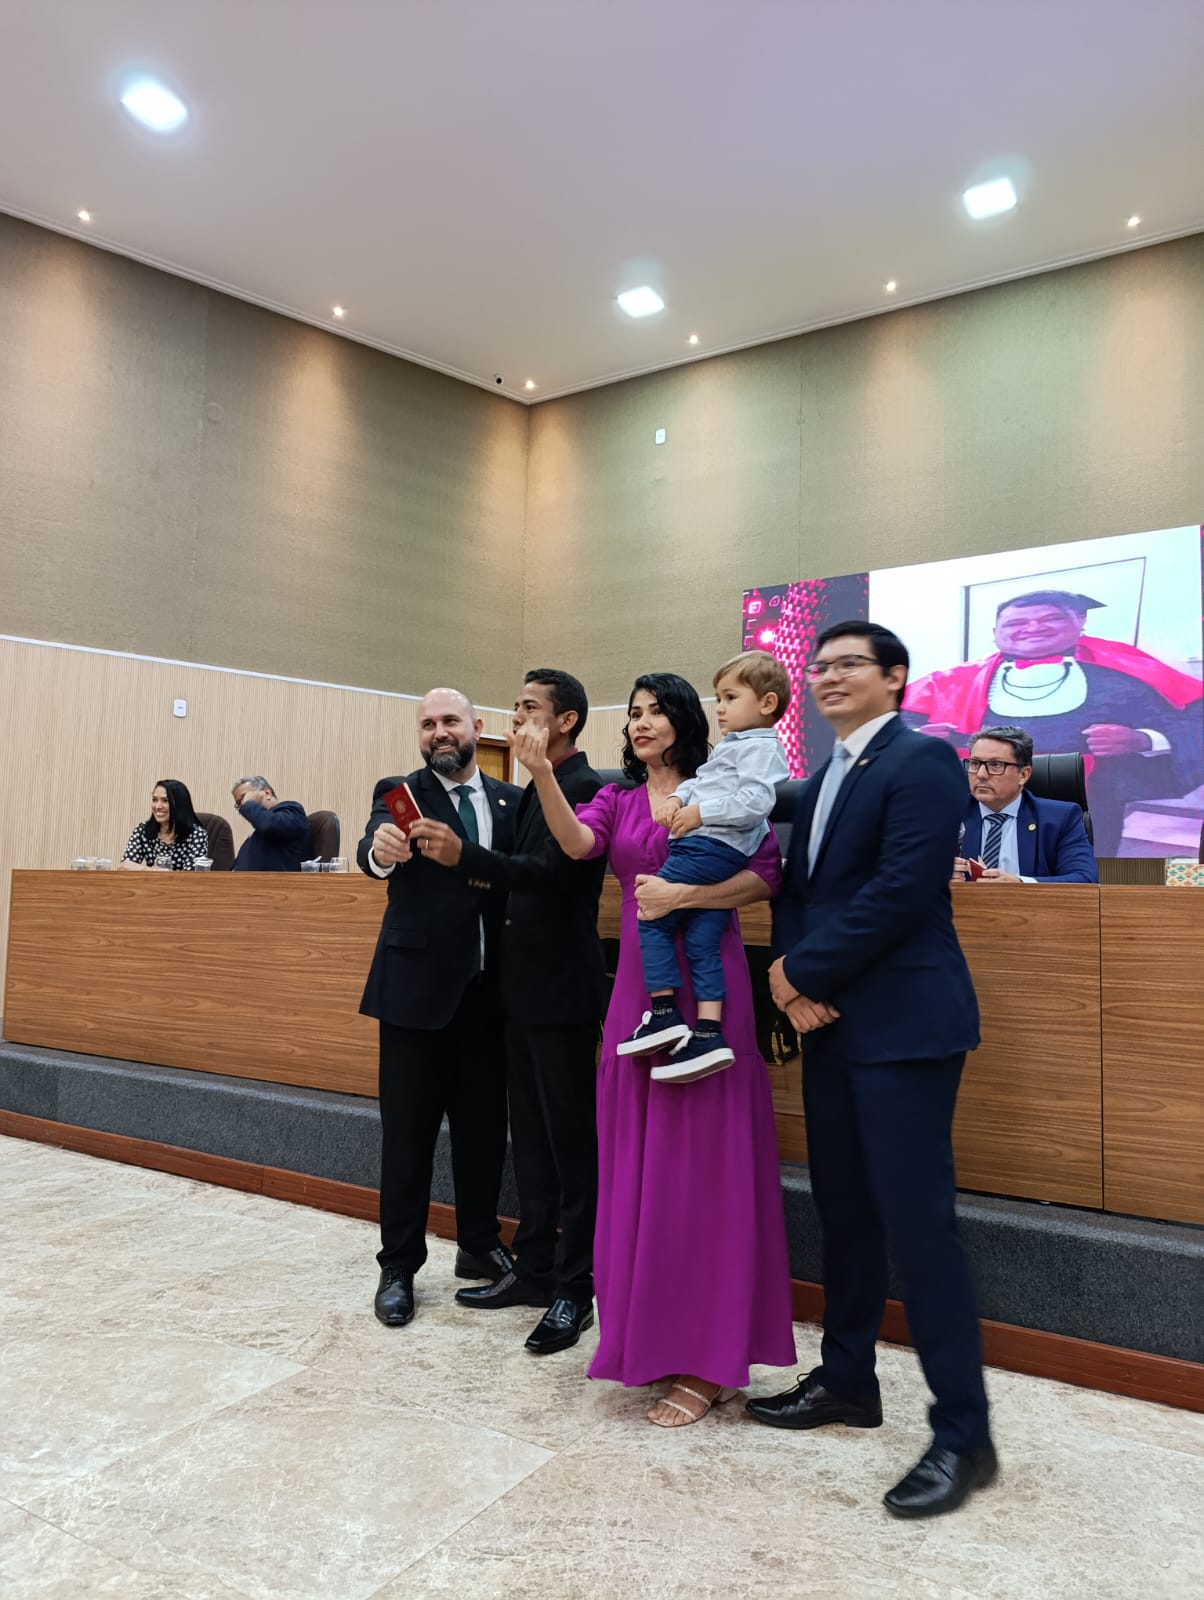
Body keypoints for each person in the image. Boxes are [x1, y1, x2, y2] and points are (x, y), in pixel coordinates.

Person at [750, 620, 995, 1520]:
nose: (827, 676)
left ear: (895, 677)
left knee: (919, 1229)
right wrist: (790, 980)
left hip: (905, 1027)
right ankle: (847, 1380)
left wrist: (799, 974)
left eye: (849, 664)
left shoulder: (923, 760)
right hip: (831, 1025)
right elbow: (798, 891)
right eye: (818, 665)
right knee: (844, 1213)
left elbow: (903, 888)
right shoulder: (823, 777)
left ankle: (963, 1435)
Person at [512, 672, 796, 1427]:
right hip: (637, 997)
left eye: (656, 711)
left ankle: (711, 1361)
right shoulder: (617, 798)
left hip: (710, 994)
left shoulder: (720, 788)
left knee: (704, 1169)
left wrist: (684, 897)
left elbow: (765, 877)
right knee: (640, 1167)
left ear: (684, 721)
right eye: (633, 713)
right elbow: (576, 844)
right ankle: (653, 1341)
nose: (641, 723)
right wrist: (542, 773)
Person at [408, 669, 605, 1355]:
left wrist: (467, 857)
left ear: (566, 721)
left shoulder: (587, 787)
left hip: (562, 991)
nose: (515, 718)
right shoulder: (529, 787)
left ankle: (576, 1288)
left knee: (572, 1148)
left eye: (529, 708)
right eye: (515, 707)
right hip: (519, 992)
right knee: (535, 1147)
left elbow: (550, 875)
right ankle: (536, 1267)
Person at [357, 687, 522, 1328]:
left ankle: (478, 1243)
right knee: (407, 1138)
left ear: (477, 727)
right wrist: (380, 853)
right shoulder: (400, 794)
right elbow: (372, 849)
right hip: (413, 996)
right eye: (427, 724)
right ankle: (398, 1265)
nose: (439, 732)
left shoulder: (512, 801)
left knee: (483, 1133)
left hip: (490, 997)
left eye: (450, 720)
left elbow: (516, 876)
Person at [904, 588, 1204, 854]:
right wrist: (919, 735)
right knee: (987, 864)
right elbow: (894, 722)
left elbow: (1190, 719)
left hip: (1086, 793)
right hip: (983, 791)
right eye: (1016, 623)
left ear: (1080, 622)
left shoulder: (1125, 674)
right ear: (996, 633)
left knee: (1079, 868)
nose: (1033, 628)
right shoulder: (949, 681)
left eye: (1051, 619)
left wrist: (1142, 739)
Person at [619, 650, 790, 1083]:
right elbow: (704, 781)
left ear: (767, 703)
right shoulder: (735, 747)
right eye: (719, 698)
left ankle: (664, 1013)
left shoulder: (760, 748)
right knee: (700, 942)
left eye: (730, 698)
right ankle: (708, 1032)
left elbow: (754, 803)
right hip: (711, 850)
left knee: (651, 915)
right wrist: (681, 797)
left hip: (709, 848)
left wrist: (698, 812)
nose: (721, 708)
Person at [954, 726, 1099, 884]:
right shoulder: (947, 816)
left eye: (995, 765)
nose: (981, 774)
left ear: (1023, 775)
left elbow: (1085, 879)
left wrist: (1021, 884)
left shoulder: (1060, 818)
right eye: (975, 763)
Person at [119, 780, 208, 870]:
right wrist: (152, 871)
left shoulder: (197, 834)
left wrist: (147, 870)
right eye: (154, 800)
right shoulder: (143, 830)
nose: (158, 806)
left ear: (180, 804)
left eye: (165, 801)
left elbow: (191, 875)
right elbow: (124, 867)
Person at [230, 777, 312, 871]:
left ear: (267, 793)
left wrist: (249, 804)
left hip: (277, 879)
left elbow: (268, 825)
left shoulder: (292, 811)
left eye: (244, 797)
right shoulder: (258, 829)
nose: (242, 805)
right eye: (238, 804)